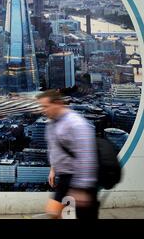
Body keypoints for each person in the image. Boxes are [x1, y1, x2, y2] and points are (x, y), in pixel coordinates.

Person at [36, 90, 99, 219]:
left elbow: (86, 156)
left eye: (45, 106)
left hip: (80, 180)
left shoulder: (76, 123)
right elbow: (55, 148)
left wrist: (82, 188)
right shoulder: (52, 123)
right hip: (65, 178)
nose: (43, 110)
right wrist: (53, 169)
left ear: (58, 103)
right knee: (54, 213)